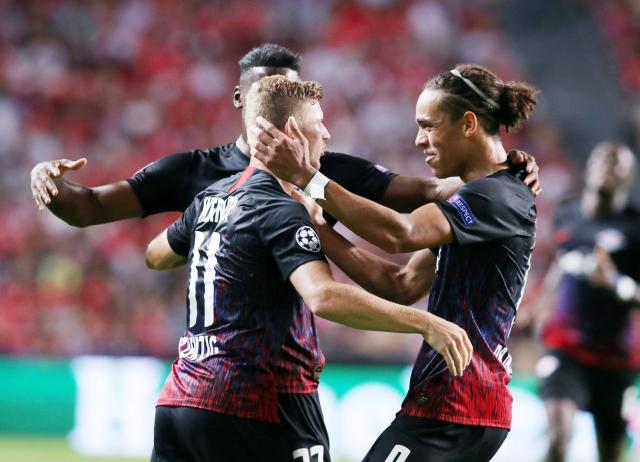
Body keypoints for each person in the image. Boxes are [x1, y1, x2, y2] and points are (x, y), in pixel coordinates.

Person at [28, 43, 541, 459]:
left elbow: (432, 204)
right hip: (267, 398)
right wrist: (46, 182)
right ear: (249, 104)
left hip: (188, 392)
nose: (418, 139)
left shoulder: (255, 185)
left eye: (428, 127)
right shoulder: (209, 173)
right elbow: (368, 286)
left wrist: (507, 172)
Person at [144, 75, 473, 462]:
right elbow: (323, 296)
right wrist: (424, 323)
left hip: (180, 400)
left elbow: (156, 255)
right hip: (262, 402)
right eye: (319, 125)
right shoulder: (280, 208)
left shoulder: (211, 197)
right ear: (292, 132)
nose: (328, 134)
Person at [251, 64, 538, 461]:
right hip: (455, 403)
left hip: (457, 406)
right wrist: (319, 228)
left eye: (428, 125)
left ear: (469, 124)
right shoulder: (478, 200)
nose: (419, 139)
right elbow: (401, 283)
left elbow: (400, 233)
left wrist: (307, 177)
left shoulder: (495, 197)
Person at [524, 142, 640, 462]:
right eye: (603, 160)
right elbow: (562, 262)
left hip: (615, 359)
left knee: (611, 454)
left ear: (629, 177)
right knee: (559, 438)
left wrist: (617, 284)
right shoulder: (566, 212)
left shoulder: (635, 228)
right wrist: (539, 304)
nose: (608, 168)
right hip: (566, 350)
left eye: (618, 165)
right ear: (590, 166)